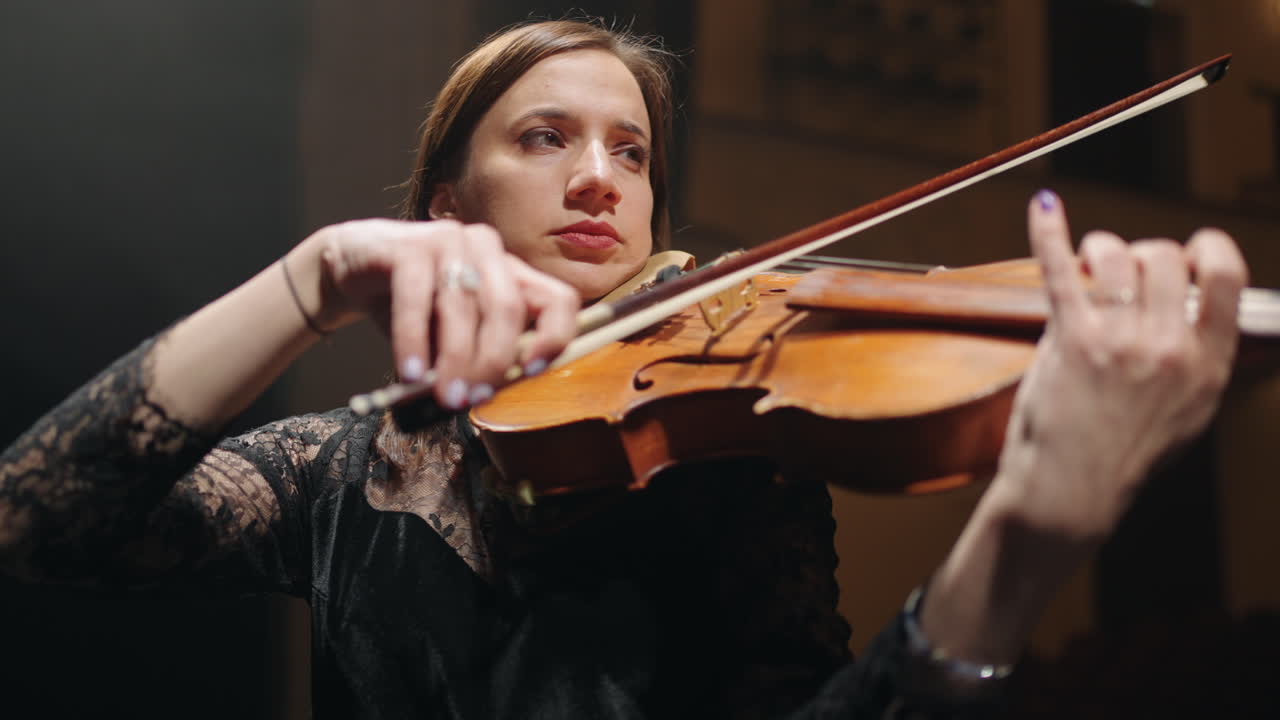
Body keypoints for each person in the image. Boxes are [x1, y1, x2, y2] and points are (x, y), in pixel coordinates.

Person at [0, 18, 1248, 719]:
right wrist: (311, 279)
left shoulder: (726, 457)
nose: (600, 177)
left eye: (632, 152)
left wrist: (1020, 542)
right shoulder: (343, 472)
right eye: (545, 137)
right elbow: (41, 516)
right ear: (445, 206)